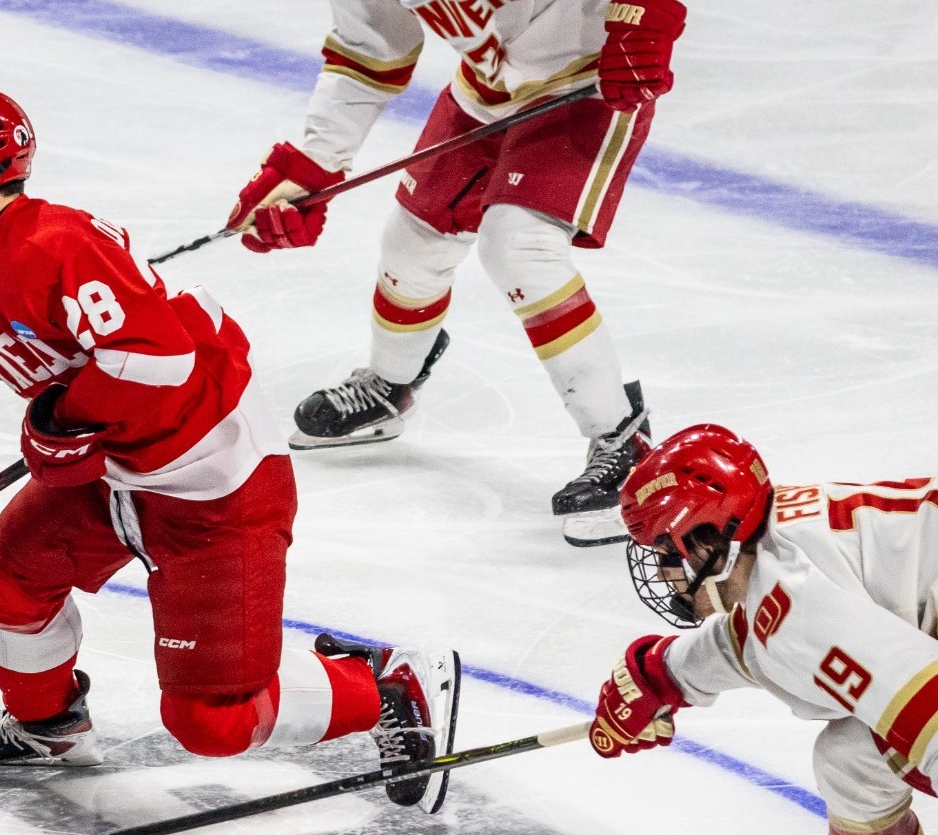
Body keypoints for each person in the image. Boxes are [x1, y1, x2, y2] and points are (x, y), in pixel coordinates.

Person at [0, 86, 461, 812]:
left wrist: (67, 417)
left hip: (212, 481)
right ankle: (47, 728)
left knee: (212, 724)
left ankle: (386, 686)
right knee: (5, 575)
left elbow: (160, 359)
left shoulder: (54, 243)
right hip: (113, 473)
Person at [225, 0, 687, 546]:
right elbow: (372, 47)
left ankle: (624, 441)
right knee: (411, 242)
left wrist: (644, 13)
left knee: (519, 246)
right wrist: (311, 167)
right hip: (487, 90)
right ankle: (389, 385)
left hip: (587, 72)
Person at [591, 424, 938, 835]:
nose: (660, 572)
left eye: (662, 550)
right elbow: (757, 636)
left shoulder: (798, 603)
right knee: (852, 758)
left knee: (873, 749)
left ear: (707, 535)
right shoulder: (782, 550)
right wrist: (663, 675)